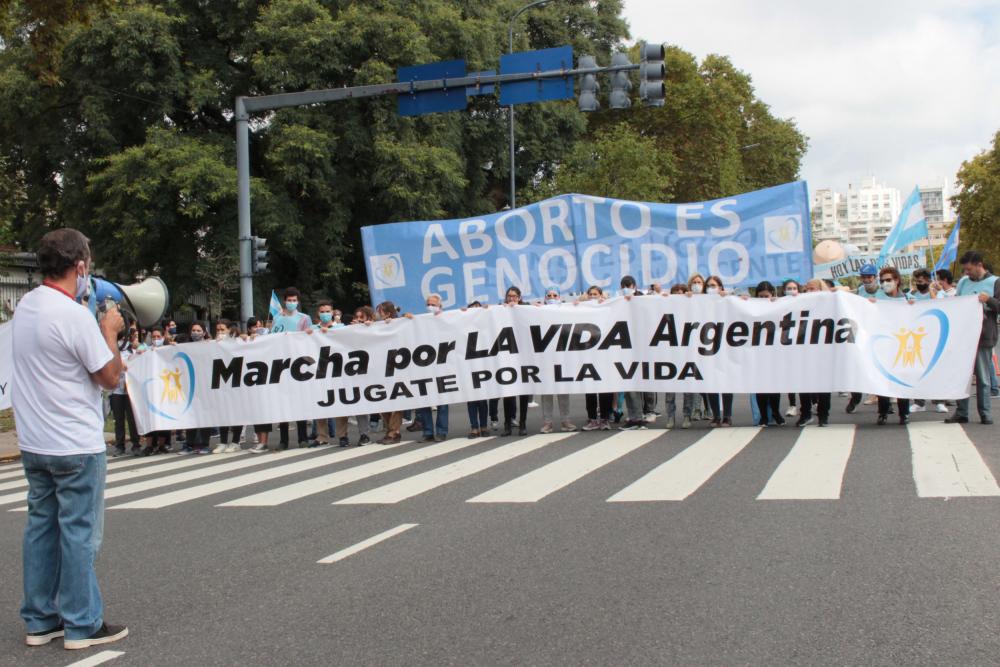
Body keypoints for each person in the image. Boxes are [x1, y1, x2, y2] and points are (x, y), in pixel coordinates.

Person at [12, 228, 129, 650]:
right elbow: (110, 376)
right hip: (76, 443)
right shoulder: (73, 316)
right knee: (79, 534)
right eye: (88, 265)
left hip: (35, 441)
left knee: (41, 531)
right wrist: (109, 331)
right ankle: (82, 623)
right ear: (79, 266)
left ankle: (40, 620)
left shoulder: (26, 306)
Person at [945, 251, 1000, 425]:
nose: (967, 273)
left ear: (979, 265)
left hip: (984, 335)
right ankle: (961, 412)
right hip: (963, 336)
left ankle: (985, 413)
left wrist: (989, 300)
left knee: (983, 377)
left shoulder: (995, 282)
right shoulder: (963, 282)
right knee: (962, 376)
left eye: (969, 269)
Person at [871, 266, 912, 425]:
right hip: (883, 344)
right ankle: (883, 412)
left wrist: (913, 306)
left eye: (888, 280)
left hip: (902, 344)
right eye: (882, 281)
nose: (885, 283)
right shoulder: (877, 298)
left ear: (897, 280)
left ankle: (904, 412)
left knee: (902, 378)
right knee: (883, 379)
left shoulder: (907, 298)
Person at [537, 288, 575, 433]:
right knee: (546, 392)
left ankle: (566, 421)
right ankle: (547, 422)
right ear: (545, 298)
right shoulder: (538, 312)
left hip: (561, 357)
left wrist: (578, 304)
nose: (552, 298)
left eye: (555, 295)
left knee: (563, 391)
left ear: (559, 298)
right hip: (545, 359)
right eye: (549, 295)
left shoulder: (565, 311)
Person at [577, 285, 614, 431]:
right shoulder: (583, 309)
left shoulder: (607, 307)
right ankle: (592, 419)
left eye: (595, 294)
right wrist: (576, 304)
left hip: (604, 354)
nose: (593, 296)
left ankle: (605, 419)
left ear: (601, 295)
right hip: (588, 353)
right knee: (590, 388)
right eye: (590, 294)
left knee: (605, 388)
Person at [415, 293, 449, 442]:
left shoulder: (448, 318)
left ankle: (441, 431)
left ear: (440, 306)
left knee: (442, 401)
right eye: (428, 304)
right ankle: (428, 432)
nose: (430, 307)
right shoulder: (421, 320)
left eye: (433, 304)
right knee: (425, 400)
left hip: (441, 365)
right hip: (424, 365)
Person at [752, 281, 786, 426]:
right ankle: (764, 416)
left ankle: (775, 412)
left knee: (774, 385)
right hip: (758, 351)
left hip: (774, 350)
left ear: (772, 294)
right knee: (760, 385)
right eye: (760, 296)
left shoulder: (779, 305)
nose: (763, 299)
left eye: (766, 296)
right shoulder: (751, 307)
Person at [702, 275, 735, 426]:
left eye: (714, 285)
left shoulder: (727, 300)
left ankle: (727, 415)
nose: (711, 288)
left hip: (725, 346)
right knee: (711, 382)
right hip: (707, 346)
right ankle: (716, 415)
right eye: (708, 286)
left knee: (726, 382)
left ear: (721, 287)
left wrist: (729, 297)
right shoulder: (699, 301)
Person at [501, 286, 531, 436]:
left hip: (523, 357)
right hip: (508, 357)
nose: (511, 299)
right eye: (509, 296)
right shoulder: (500, 310)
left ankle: (523, 423)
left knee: (523, 393)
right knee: (508, 393)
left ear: (519, 298)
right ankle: (507, 423)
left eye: (514, 296)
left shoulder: (526, 309)